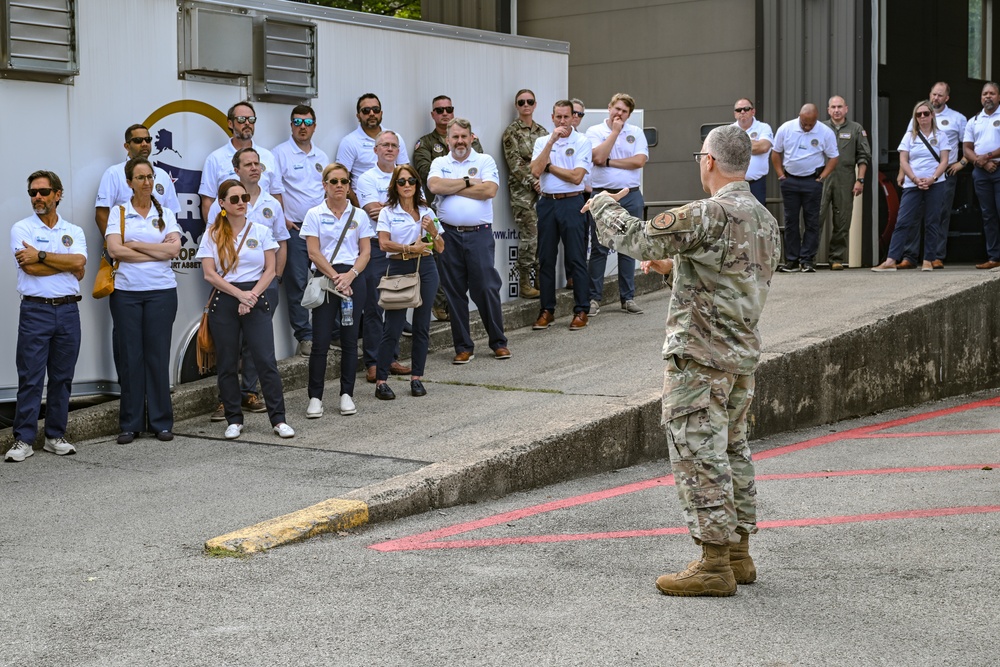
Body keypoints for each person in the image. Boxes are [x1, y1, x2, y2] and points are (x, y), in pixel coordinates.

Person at [585, 124, 781, 597]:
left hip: (699, 357)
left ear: (709, 161)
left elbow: (635, 238)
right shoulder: (763, 219)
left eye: (700, 156)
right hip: (738, 359)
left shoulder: (707, 213)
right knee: (732, 449)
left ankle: (714, 565)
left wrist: (603, 204)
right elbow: (730, 279)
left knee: (699, 452)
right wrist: (678, 268)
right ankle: (738, 553)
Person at [197, 179, 294, 440]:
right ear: (222, 203)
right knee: (227, 363)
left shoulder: (260, 231)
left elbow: (270, 270)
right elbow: (209, 274)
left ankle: (278, 419)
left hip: (256, 296)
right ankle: (234, 419)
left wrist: (250, 296)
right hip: (226, 298)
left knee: (265, 361)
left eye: (244, 198)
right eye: (235, 199)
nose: (242, 203)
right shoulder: (212, 234)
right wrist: (239, 294)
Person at [5, 171, 87, 463]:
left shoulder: (73, 231)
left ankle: (55, 436)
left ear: (58, 194)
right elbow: (31, 269)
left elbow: (80, 264)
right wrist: (62, 263)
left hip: (67, 310)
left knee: (62, 378)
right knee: (30, 377)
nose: (37, 197)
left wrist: (40, 255)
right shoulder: (21, 228)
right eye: (32, 192)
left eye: (43, 191)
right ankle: (24, 439)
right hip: (35, 310)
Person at [106, 158, 182, 444]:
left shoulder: (166, 214)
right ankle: (130, 423)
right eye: (140, 177)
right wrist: (156, 251)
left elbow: (173, 250)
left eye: (150, 176)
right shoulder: (119, 212)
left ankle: (162, 423)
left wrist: (135, 245)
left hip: (161, 291)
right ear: (129, 183)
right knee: (130, 358)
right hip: (126, 293)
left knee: (157, 357)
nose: (147, 182)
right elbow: (115, 250)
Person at [428, 118, 510, 363]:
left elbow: (489, 191)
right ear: (447, 140)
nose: (460, 141)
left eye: (464, 136)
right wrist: (466, 182)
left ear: (471, 137)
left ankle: (498, 342)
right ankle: (463, 347)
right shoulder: (439, 162)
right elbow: (433, 186)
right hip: (448, 235)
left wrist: (450, 187)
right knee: (453, 292)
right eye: (455, 137)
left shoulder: (484, 160)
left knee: (486, 288)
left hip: (479, 234)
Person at [300, 163, 372, 418]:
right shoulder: (314, 214)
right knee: (320, 342)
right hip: (325, 281)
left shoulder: (359, 215)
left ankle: (346, 394)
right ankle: (315, 398)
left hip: (353, 280)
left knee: (351, 341)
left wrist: (350, 275)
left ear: (349, 186)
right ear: (325, 185)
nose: (339, 185)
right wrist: (335, 278)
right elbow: (313, 252)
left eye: (343, 181)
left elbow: (365, 252)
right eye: (334, 181)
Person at [374, 166, 445, 399]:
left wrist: (433, 230)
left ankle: (417, 378)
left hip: (426, 267)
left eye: (411, 181)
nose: (407, 185)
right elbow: (384, 244)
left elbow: (441, 247)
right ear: (395, 185)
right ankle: (381, 380)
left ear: (417, 184)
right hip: (399, 267)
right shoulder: (388, 212)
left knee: (422, 325)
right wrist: (409, 248)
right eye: (401, 181)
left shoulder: (426, 210)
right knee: (392, 327)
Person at [413, 94, 485, 322]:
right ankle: (440, 304)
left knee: (467, 267)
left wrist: (448, 181)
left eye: (448, 109)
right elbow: (426, 175)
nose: (445, 113)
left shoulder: (472, 140)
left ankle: (458, 305)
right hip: (436, 211)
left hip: (471, 215)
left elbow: (481, 174)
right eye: (440, 110)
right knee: (439, 258)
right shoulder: (424, 143)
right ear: (433, 115)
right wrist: (464, 181)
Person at [529, 99, 593, 331]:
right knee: (545, 258)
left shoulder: (582, 141)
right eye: (559, 117)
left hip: (572, 202)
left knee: (576, 258)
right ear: (552, 117)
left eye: (567, 116)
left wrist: (551, 167)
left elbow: (577, 177)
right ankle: (547, 310)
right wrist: (551, 142)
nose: (563, 121)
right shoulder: (542, 141)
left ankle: (581, 309)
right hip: (547, 203)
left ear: (573, 117)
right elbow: (535, 170)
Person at [272, 104, 330, 357]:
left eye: (307, 123)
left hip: (321, 231)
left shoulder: (322, 156)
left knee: (326, 281)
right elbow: (275, 191)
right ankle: (304, 336)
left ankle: (328, 332)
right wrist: (282, 218)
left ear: (315, 126)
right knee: (297, 284)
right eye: (297, 122)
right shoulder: (279, 153)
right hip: (295, 230)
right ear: (291, 125)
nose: (302, 128)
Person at [356, 130, 413, 383]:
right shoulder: (367, 178)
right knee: (374, 304)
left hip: (402, 247)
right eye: (384, 145)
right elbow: (372, 211)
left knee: (397, 302)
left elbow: (417, 209)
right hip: (377, 246)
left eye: (393, 145)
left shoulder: (407, 175)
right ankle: (372, 361)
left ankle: (389, 358)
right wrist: (402, 210)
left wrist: (392, 211)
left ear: (398, 150)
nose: (389, 149)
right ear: (375, 150)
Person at [872, 101, 952, 272]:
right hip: (912, 184)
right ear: (915, 118)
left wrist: (933, 178)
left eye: (925, 113)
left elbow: (945, 160)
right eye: (918, 114)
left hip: (935, 183)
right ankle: (891, 259)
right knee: (903, 221)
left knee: (932, 222)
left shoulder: (941, 135)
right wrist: (915, 179)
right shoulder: (909, 136)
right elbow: (903, 160)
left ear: (932, 115)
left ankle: (928, 260)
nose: (922, 117)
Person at [586, 93, 647, 316]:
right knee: (600, 247)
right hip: (603, 195)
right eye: (616, 109)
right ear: (609, 107)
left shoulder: (636, 133)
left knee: (628, 246)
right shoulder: (594, 131)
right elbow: (598, 158)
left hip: (630, 195)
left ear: (629, 114)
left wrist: (611, 162)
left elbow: (639, 161)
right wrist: (614, 133)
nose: (619, 114)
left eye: (624, 111)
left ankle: (628, 298)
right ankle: (594, 299)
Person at [901, 82, 969, 269]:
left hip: (943, 175)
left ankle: (935, 256)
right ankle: (909, 256)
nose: (935, 98)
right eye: (933, 94)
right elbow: (906, 148)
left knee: (939, 215)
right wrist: (902, 172)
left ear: (947, 98)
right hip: (916, 175)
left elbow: (969, 144)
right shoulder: (917, 117)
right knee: (914, 215)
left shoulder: (958, 118)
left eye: (940, 95)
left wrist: (961, 163)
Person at [771, 103, 839, 272]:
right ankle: (792, 260)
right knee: (791, 220)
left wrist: (822, 177)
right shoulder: (786, 129)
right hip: (790, 180)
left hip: (812, 181)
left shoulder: (825, 132)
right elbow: (775, 152)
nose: (808, 127)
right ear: (799, 117)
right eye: (805, 123)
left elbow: (833, 157)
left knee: (812, 221)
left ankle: (807, 259)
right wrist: (781, 175)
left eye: (811, 124)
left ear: (816, 119)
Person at [198, 101, 283, 224]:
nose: (247, 123)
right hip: (228, 232)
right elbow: (208, 201)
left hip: (264, 233)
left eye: (251, 119)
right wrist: (214, 231)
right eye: (242, 119)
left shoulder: (268, 156)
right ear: (230, 123)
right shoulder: (215, 159)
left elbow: (276, 196)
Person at [501, 89, 548, 299]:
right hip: (523, 193)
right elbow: (515, 164)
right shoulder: (511, 132)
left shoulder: (543, 132)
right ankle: (525, 283)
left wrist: (544, 182)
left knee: (542, 236)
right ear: (516, 106)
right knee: (530, 236)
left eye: (529, 101)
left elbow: (548, 158)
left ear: (535, 104)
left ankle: (540, 279)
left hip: (544, 190)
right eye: (521, 102)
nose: (526, 105)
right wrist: (534, 182)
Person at [95, 124, 180, 234]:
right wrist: (115, 244)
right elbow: (102, 214)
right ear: (127, 146)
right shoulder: (114, 173)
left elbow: (171, 215)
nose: (144, 144)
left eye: (147, 140)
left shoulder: (162, 176)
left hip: (158, 248)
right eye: (138, 140)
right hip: (125, 247)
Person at [820, 96, 871, 270]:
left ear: (846, 109)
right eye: (833, 107)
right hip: (822, 178)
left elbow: (863, 156)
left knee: (842, 220)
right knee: (815, 218)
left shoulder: (856, 129)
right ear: (828, 110)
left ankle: (836, 258)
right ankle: (808, 258)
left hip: (846, 177)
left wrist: (860, 179)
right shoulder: (820, 128)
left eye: (840, 107)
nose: (836, 110)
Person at [962, 81, 1000, 269]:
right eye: (985, 94)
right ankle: (994, 257)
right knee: (988, 215)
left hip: (999, 169)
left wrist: (989, 156)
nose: (988, 97)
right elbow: (967, 148)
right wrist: (982, 162)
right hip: (982, 173)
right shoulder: (974, 120)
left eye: (992, 93)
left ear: (998, 97)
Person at [337, 93, 410, 190]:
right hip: (362, 198)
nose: (371, 113)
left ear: (381, 113)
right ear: (358, 116)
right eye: (366, 110)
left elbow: (405, 173)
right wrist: (359, 204)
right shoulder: (349, 142)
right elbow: (341, 179)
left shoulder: (395, 138)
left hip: (394, 198)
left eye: (376, 109)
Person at [732, 98, 773, 205]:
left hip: (756, 184)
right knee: (737, 217)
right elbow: (727, 152)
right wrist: (753, 144)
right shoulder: (729, 130)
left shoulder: (763, 127)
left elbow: (763, 147)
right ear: (735, 114)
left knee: (758, 218)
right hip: (735, 185)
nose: (742, 112)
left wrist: (738, 145)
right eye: (738, 110)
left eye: (746, 109)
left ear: (753, 111)